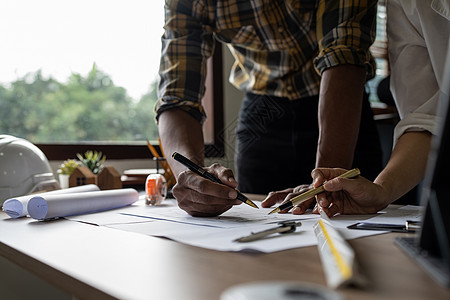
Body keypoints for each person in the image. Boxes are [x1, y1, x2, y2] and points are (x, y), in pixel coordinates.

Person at [156, 0, 382, 217]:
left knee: (349, 214)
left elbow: (344, 53)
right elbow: (177, 97)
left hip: (340, 102)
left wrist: (326, 181)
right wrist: (190, 176)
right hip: (262, 110)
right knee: (261, 217)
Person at [262, 0, 450, 217]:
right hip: (264, 103)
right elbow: (426, 118)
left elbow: (344, 54)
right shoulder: (404, 3)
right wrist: (382, 190)